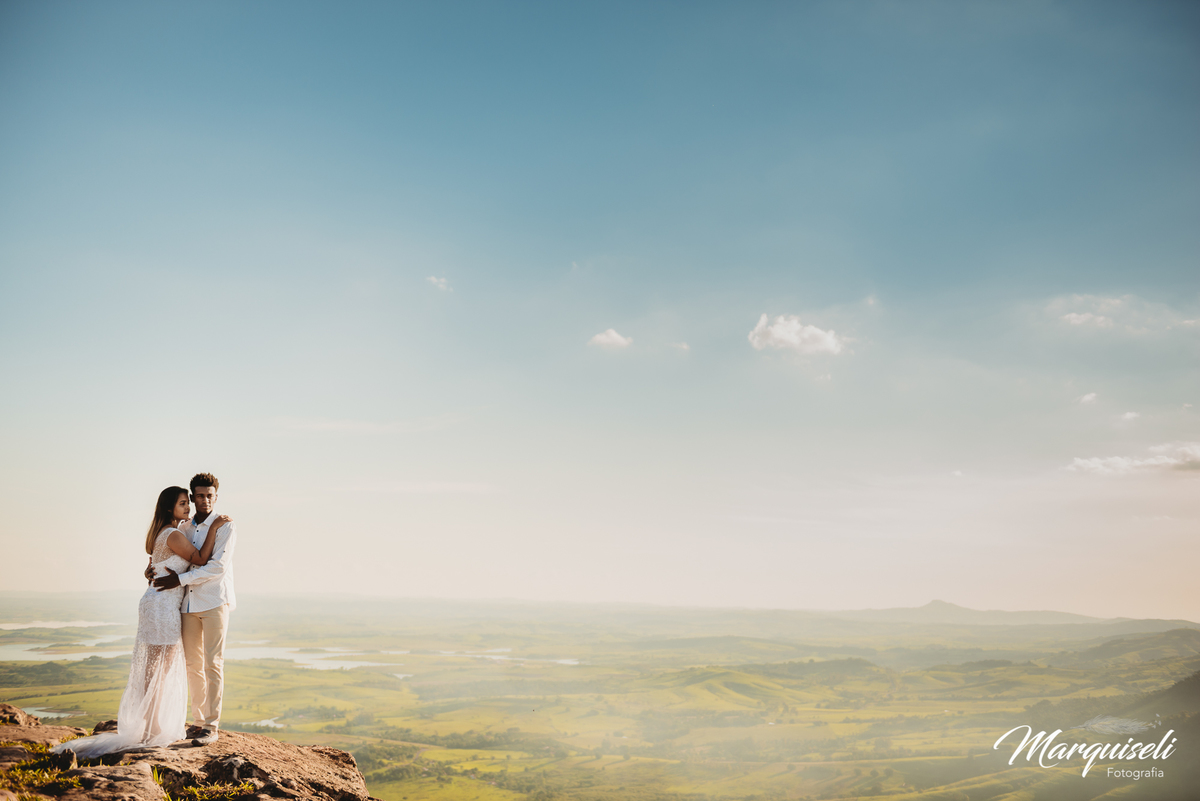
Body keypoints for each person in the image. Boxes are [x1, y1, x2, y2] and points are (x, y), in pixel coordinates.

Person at [54, 487, 228, 757]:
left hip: (158, 602)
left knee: (155, 667)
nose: (188, 507)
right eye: (183, 503)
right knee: (159, 667)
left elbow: (157, 565)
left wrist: (151, 570)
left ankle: (150, 725)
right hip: (162, 606)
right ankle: (150, 729)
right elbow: (201, 559)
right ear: (170, 508)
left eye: (187, 503)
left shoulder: (169, 532)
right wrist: (215, 527)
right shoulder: (172, 534)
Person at [150, 472, 237, 746]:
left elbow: (216, 566)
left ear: (216, 497)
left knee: (213, 664)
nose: (205, 500)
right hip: (187, 604)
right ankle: (198, 722)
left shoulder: (225, 526)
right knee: (192, 665)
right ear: (192, 497)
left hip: (214, 601)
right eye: (199, 496)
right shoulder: (185, 527)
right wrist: (154, 569)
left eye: (210, 495)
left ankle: (211, 726)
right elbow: (176, 556)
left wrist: (180, 579)